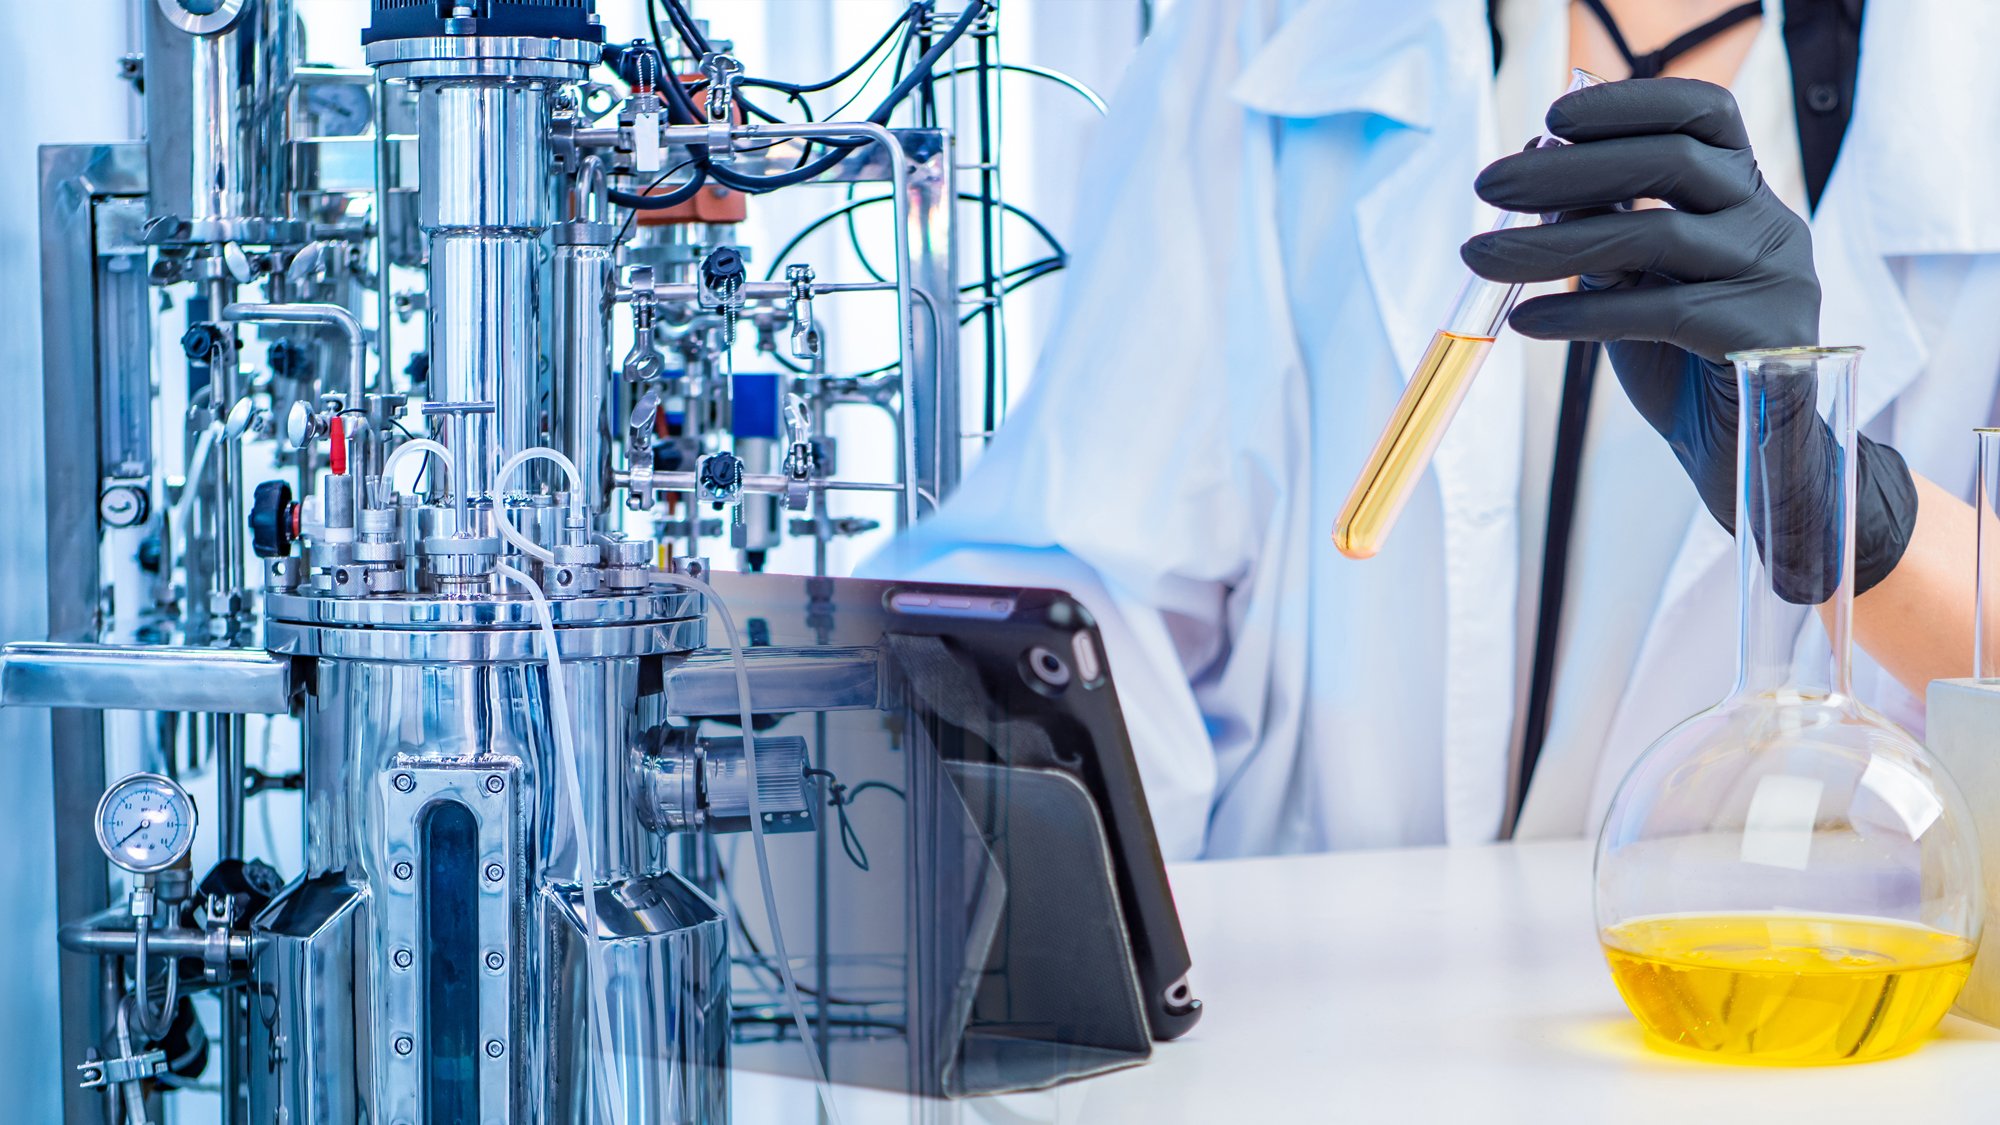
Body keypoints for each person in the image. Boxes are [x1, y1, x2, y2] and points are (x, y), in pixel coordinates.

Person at [869, 0, 2000, 860]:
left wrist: (1850, 516)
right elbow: (1081, 573)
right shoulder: (1261, 33)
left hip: (1781, 1013)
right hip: (1326, 1024)